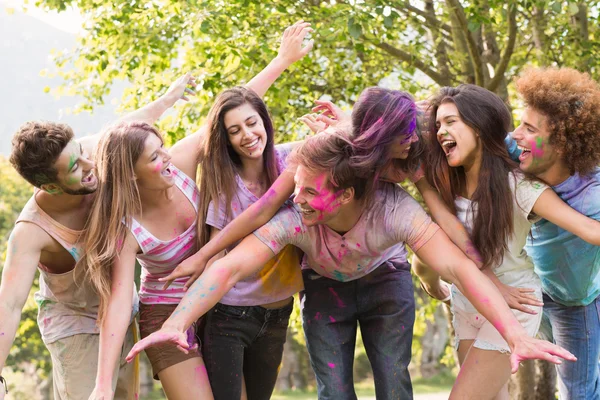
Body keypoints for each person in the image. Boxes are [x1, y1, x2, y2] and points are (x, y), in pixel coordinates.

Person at [126, 130, 576, 400]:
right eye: (295, 188)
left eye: (308, 192)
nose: (295, 199)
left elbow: (460, 268)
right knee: (333, 387)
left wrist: (515, 334)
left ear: (344, 195)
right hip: (327, 287)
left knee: (391, 378)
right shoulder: (296, 217)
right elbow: (229, 268)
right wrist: (179, 320)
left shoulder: (395, 210)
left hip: (384, 280)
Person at [84, 21, 313, 400]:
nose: (167, 159)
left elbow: (232, 115)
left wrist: (281, 61)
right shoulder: (126, 226)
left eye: (164, 149)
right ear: (131, 174)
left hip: (221, 301)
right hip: (165, 310)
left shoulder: (183, 166)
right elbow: (120, 301)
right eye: (154, 157)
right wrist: (103, 384)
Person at [0, 75, 193, 400]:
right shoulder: (31, 231)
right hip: (73, 322)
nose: (91, 164)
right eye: (76, 166)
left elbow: (127, 127)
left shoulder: (88, 155)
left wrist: (169, 98)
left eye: (83, 151)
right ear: (50, 186)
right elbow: (9, 303)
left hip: (117, 309)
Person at [413, 83, 600, 399]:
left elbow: (591, 231)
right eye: (437, 125)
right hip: (472, 300)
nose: (440, 131)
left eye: (450, 122)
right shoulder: (449, 175)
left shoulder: (529, 188)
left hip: (538, 300)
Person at [197, 85, 303, 400]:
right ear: (226, 139)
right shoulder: (226, 187)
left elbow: (339, 141)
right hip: (230, 316)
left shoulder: (291, 161)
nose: (247, 134)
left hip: (278, 313)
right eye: (235, 130)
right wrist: (189, 313)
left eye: (251, 122)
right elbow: (216, 255)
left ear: (264, 121)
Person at [505, 67, 600, 399]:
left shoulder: (593, 196)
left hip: (575, 304)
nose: (515, 135)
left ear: (560, 142)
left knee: (580, 392)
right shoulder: (519, 149)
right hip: (532, 293)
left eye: (529, 129)